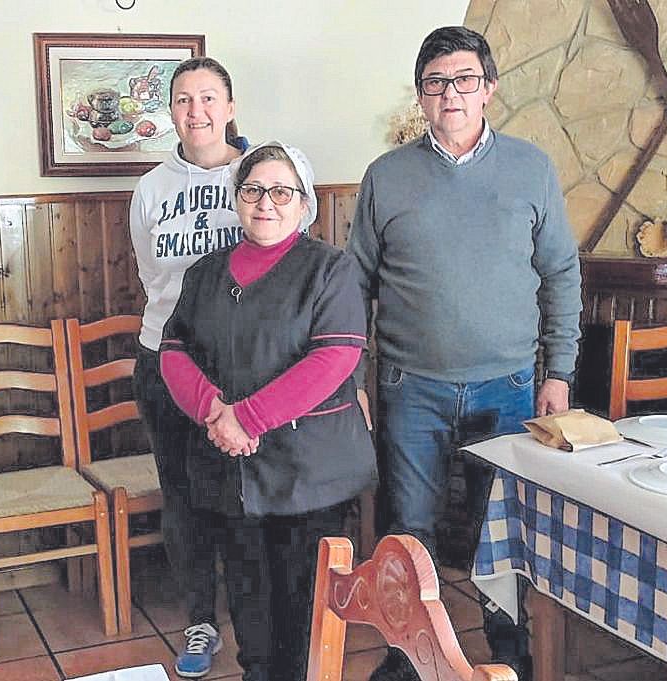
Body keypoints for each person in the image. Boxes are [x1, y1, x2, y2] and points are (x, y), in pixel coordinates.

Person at [346, 26, 582, 681]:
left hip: (505, 387)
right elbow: (353, 283)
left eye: (464, 80)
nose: (450, 93)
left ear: (490, 89)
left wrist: (558, 373)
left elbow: (561, 272)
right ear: (420, 97)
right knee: (410, 529)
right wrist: (349, 379)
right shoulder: (385, 177)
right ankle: (408, 655)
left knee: (498, 531)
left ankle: (508, 649)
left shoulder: (531, 168)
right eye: (435, 83)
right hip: (408, 385)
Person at [159, 141, 376, 681]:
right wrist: (213, 409)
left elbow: (336, 356)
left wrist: (246, 419)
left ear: (305, 204)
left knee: (304, 605)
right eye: (254, 190)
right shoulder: (206, 272)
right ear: (237, 199)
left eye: (283, 191)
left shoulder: (331, 270)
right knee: (248, 594)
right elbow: (174, 349)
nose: (266, 202)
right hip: (229, 467)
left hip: (309, 471)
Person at [129, 56, 248, 678]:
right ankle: (200, 620)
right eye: (182, 99)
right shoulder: (151, 187)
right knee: (183, 497)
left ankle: (258, 621)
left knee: (246, 493)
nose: (195, 111)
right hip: (165, 361)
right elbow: (156, 278)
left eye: (208, 98)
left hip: (247, 368)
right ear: (170, 111)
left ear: (230, 108)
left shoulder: (264, 176)